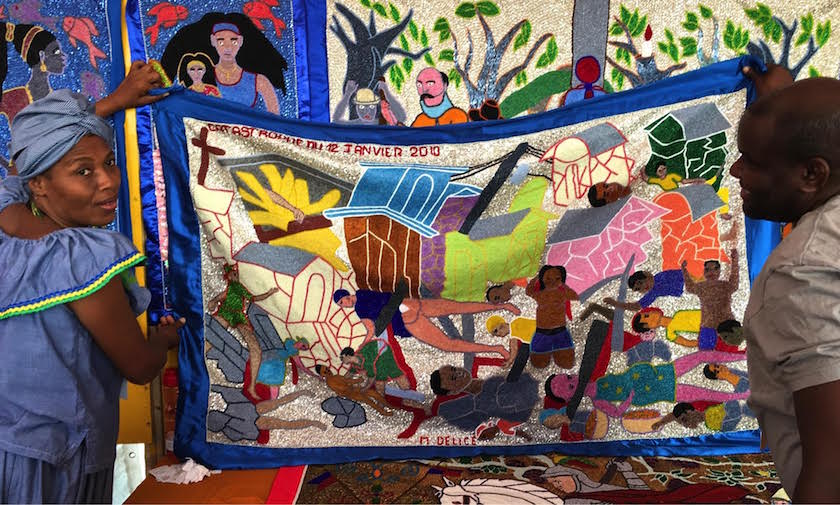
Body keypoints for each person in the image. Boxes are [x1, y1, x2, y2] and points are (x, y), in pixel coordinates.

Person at [0, 62, 181, 503]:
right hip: (59, 464)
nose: (108, 182)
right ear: (39, 184)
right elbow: (139, 367)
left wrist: (108, 106)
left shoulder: (9, 225)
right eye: (84, 172)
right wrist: (163, 340)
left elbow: (20, 169)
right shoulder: (86, 262)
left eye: (110, 163)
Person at [734, 63, 840, 501]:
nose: (736, 170)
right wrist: (782, 107)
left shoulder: (802, 275)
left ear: (812, 174)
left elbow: (832, 467)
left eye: (752, 161)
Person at [333, 288, 512, 359]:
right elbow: (371, 327)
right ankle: (496, 347)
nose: (345, 304)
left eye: (343, 300)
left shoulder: (361, 302)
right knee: (455, 315)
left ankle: (498, 343)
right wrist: (363, 344)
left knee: (456, 314)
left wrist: (362, 345)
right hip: (408, 310)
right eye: (342, 304)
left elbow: (371, 328)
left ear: (346, 295)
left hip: (407, 315)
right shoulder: (360, 303)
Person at [1, 22, 67, 171]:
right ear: (41, 56)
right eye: (56, 51)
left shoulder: (61, 100)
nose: (63, 56)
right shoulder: (14, 98)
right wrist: (7, 166)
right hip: (21, 179)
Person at [682, 252, 739, 350]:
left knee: (729, 354)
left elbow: (734, 281)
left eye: (715, 269)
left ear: (719, 271)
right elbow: (690, 287)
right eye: (707, 269)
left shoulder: (725, 285)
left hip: (726, 327)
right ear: (704, 272)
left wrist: (734, 261)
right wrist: (684, 270)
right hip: (708, 327)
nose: (711, 272)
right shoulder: (701, 286)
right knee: (706, 354)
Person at [525, 265, 579, 369]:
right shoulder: (540, 294)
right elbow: (529, 291)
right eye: (548, 279)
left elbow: (575, 296)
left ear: (561, 279)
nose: (553, 281)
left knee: (565, 362)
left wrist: (564, 286)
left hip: (559, 330)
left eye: (557, 278)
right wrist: (536, 278)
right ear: (543, 279)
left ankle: (560, 356)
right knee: (539, 363)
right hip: (543, 331)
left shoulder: (562, 293)